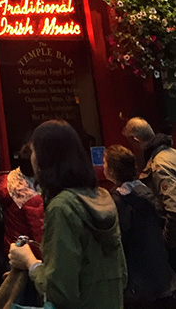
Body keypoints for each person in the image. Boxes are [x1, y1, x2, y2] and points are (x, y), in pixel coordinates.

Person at [9, 119, 126, 309]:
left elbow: (60, 291)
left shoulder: (62, 207)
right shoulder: (102, 197)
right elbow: (123, 274)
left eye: (33, 152)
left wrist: (28, 261)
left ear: (44, 158)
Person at [104, 144, 176, 309]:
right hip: (162, 274)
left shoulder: (118, 201)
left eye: (105, 163)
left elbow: (118, 241)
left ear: (113, 170)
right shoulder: (147, 191)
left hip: (138, 281)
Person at [123, 117, 176, 266]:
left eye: (131, 144)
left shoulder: (159, 164)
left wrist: (166, 242)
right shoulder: (171, 154)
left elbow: (174, 209)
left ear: (136, 140)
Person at [0, 143, 44, 255]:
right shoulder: (30, 195)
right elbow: (40, 235)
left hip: (14, 249)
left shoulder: (10, 180)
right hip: (29, 256)